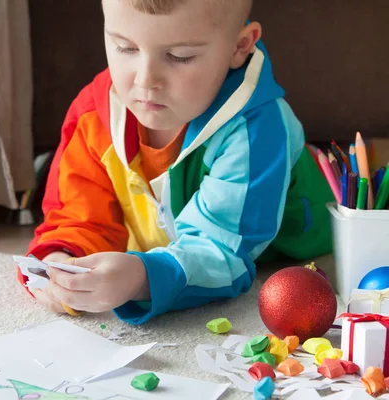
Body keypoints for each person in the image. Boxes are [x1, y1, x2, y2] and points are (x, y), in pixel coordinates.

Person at [17, 0, 334, 324]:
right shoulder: (93, 115)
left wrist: (142, 278)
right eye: (125, 47)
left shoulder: (259, 129)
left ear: (240, 46)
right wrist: (61, 260)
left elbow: (223, 251)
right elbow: (76, 216)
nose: (146, 80)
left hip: (289, 247)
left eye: (179, 56)